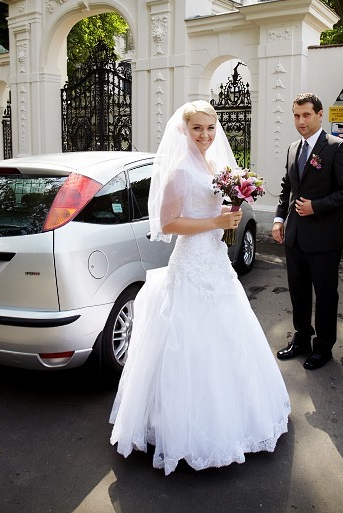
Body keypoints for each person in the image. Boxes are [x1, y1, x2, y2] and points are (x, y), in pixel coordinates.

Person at [110, 100, 290, 475]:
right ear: (183, 130)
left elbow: (215, 210)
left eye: (210, 128)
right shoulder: (177, 171)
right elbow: (168, 223)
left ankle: (235, 417)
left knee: (228, 339)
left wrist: (231, 209)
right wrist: (216, 220)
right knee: (187, 344)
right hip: (191, 262)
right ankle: (182, 429)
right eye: (197, 129)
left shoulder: (213, 165)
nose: (206, 135)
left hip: (215, 262)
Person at [273, 93, 343, 370]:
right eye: (297, 115)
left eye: (306, 115)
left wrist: (317, 206)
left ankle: (323, 347)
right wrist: (279, 220)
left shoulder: (337, 148)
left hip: (324, 240)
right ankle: (301, 339)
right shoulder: (292, 149)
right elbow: (287, 188)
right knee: (298, 293)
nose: (301, 121)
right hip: (295, 237)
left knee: (325, 295)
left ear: (320, 114)